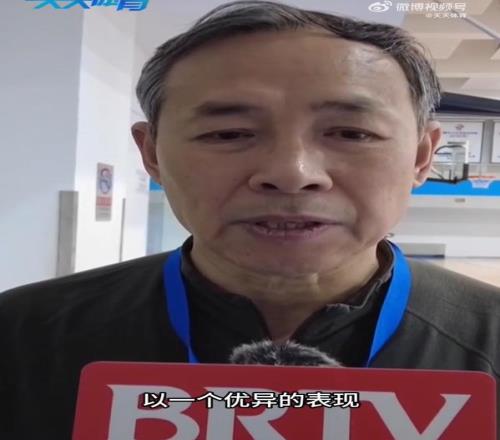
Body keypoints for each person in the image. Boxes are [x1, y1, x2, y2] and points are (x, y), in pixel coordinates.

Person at [1, 1, 499, 438]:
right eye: (229, 134)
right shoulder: (21, 337)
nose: (292, 174)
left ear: (421, 156)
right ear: (151, 153)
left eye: (351, 133)